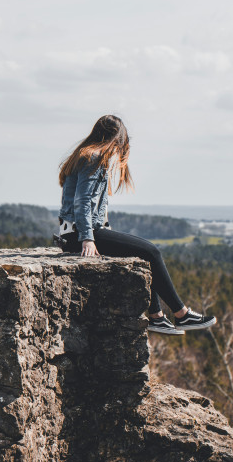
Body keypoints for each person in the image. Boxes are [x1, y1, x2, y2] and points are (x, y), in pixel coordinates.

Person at [54, 115, 216, 336]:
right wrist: (88, 238)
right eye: (121, 144)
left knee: (143, 252)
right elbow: (81, 202)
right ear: (115, 140)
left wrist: (103, 232)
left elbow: (96, 206)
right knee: (151, 251)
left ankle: (157, 317)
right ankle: (182, 314)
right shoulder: (92, 157)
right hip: (78, 235)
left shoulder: (88, 156)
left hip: (77, 232)